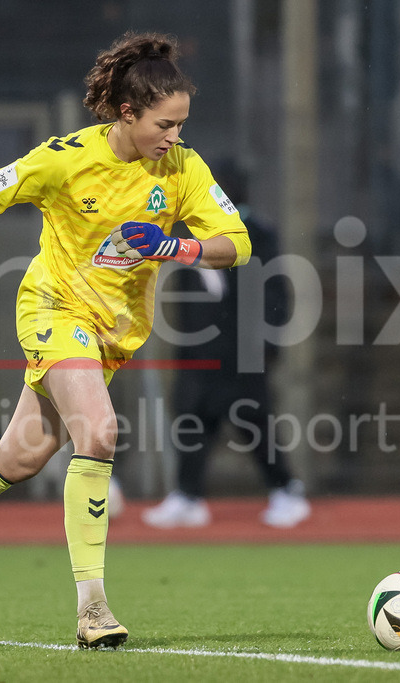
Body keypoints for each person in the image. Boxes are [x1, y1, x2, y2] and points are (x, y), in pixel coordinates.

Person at [0, 32, 251, 650]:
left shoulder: (183, 167)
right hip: (52, 307)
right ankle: (92, 609)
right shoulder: (65, 158)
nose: (176, 135)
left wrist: (176, 246)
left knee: (20, 455)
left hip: (114, 332)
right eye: (165, 123)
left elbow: (238, 243)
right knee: (98, 431)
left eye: (182, 123)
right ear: (128, 113)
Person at [142, 159, 311, 529]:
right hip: (199, 352)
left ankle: (285, 489)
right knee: (191, 421)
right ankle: (188, 495)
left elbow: (275, 293)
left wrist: (267, 343)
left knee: (253, 419)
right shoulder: (188, 234)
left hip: (243, 349)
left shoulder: (257, 233)